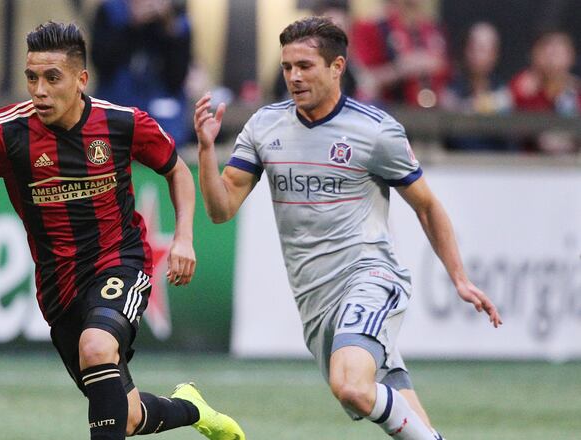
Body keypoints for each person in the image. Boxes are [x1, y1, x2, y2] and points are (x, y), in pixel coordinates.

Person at [0, 22, 244, 440]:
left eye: (52, 78)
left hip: (119, 260)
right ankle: (192, 409)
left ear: (81, 79)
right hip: (58, 286)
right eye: (32, 77)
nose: (39, 89)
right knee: (124, 415)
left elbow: (176, 169)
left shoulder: (122, 123)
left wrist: (183, 237)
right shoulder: (7, 131)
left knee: (96, 347)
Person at [195, 17, 501, 439]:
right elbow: (220, 208)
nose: (294, 77)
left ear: (337, 67)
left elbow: (427, 206)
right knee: (384, 396)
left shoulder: (375, 131)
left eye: (305, 66)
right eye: (287, 67)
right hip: (316, 300)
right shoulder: (265, 126)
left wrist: (460, 278)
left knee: (351, 387)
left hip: (370, 276)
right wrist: (208, 153)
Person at [91, 0, 192, 146]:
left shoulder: (177, 20)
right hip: (116, 105)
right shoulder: (110, 11)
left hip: (161, 112)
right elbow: (102, 65)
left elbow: (177, 78)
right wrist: (132, 24)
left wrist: (170, 30)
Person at [351, 0, 450, 108]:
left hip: (428, 112)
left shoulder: (433, 29)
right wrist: (404, 68)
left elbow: (446, 76)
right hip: (387, 111)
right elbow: (367, 81)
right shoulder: (373, 27)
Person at [442, 22, 515, 152]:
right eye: (473, 48)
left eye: (484, 50)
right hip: (458, 164)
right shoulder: (451, 91)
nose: (477, 55)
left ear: (495, 54)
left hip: (498, 164)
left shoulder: (503, 92)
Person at [509, 30, 580, 154]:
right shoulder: (522, 86)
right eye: (548, 50)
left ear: (571, 56)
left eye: (559, 51)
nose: (552, 56)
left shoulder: (575, 90)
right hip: (531, 164)